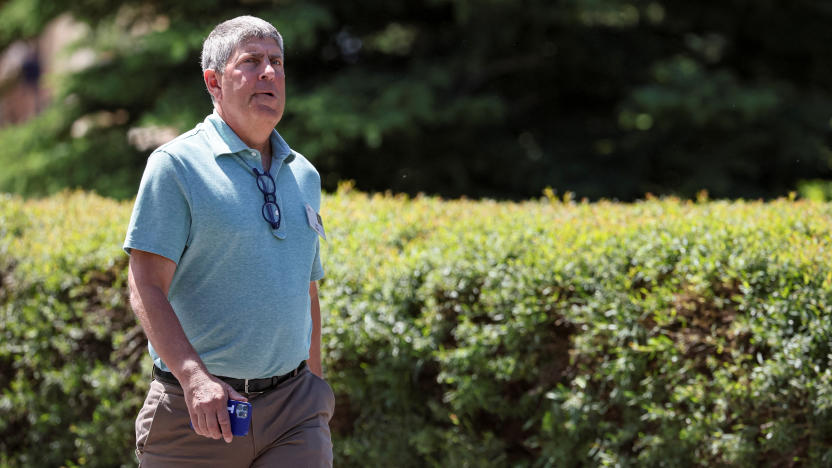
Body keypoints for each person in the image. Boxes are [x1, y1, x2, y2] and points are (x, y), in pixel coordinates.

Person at [124, 15, 333, 467]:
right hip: (196, 414)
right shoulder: (176, 166)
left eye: (276, 62)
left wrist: (315, 386)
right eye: (252, 61)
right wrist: (194, 378)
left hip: (296, 413)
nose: (269, 73)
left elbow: (306, 289)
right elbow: (145, 283)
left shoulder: (305, 174)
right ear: (214, 82)